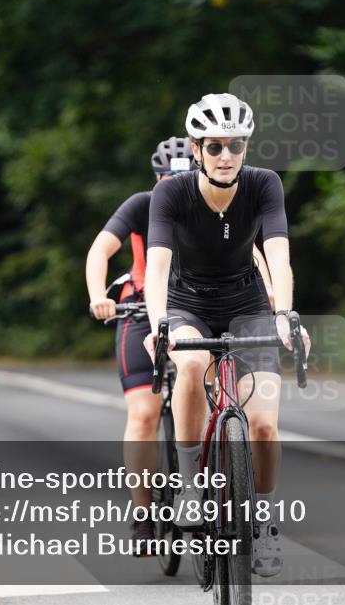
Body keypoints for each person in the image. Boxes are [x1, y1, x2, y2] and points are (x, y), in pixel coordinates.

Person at [144, 93, 309, 578]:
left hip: (247, 302)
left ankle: (260, 523)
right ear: (196, 150)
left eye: (235, 145)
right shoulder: (171, 194)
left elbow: (277, 254)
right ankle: (194, 485)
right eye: (214, 146)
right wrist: (159, 325)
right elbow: (156, 267)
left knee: (263, 426)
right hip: (187, 301)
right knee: (192, 366)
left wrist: (285, 315)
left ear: (246, 147)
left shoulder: (264, 185)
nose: (225, 156)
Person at [85, 136, 275, 554]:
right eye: (168, 178)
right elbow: (102, 248)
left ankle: (231, 471)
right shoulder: (145, 204)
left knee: (232, 389)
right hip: (144, 307)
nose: (177, 182)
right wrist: (100, 294)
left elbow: (252, 252)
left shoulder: (213, 199)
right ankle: (143, 513)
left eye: (183, 175)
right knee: (143, 412)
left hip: (204, 302)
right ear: (158, 179)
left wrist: (272, 293)